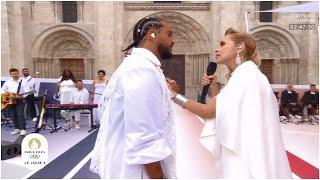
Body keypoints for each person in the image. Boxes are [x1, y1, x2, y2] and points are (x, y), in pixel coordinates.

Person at [168, 28, 291, 178]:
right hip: (247, 149)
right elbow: (225, 111)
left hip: (244, 155)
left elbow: (208, 111)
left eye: (222, 44)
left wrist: (174, 96)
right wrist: (214, 87)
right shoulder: (248, 74)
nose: (216, 49)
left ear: (239, 47)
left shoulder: (245, 77)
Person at [90, 17, 176, 179]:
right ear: (152, 34)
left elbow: (105, 110)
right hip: (136, 172)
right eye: (169, 34)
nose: (173, 41)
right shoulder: (141, 69)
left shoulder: (138, 66)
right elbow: (144, 138)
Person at [1, 68, 27, 135]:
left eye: (16, 73)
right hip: (10, 100)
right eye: (13, 74)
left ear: (18, 73)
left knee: (20, 114)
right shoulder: (8, 82)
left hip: (19, 99)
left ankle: (23, 129)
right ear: (10, 75)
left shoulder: (23, 81)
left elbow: (27, 91)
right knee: (13, 115)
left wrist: (20, 96)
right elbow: (2, 90)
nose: (15, 75)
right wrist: (7, 95)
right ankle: (17, 128)